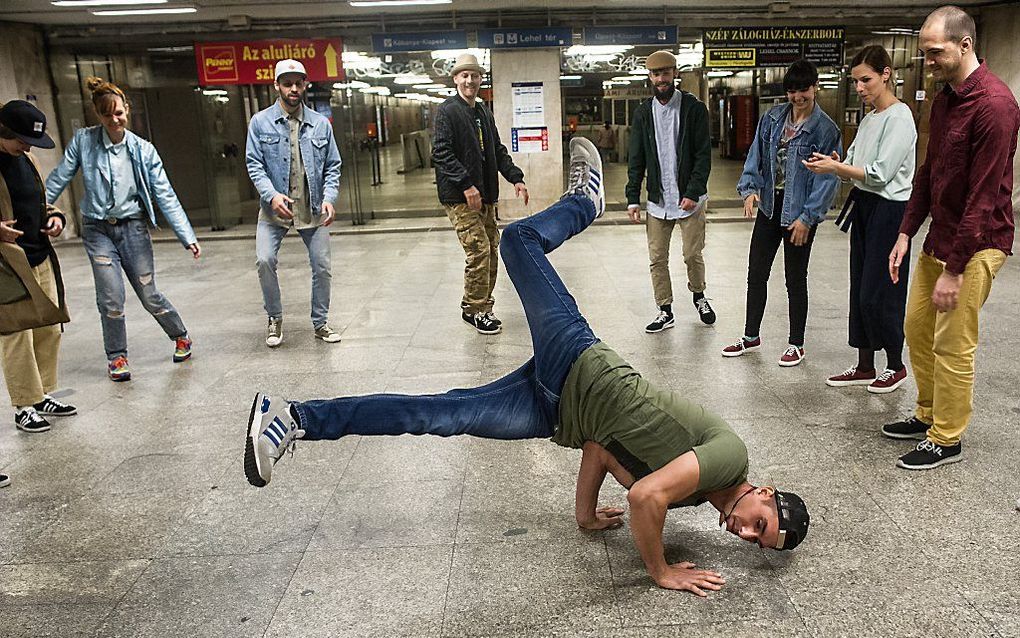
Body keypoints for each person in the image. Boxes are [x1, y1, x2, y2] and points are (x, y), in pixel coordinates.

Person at [243, 138, 810, 595]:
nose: (742, 529)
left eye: (751, 541)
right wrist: (660, 572)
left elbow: (603, 449)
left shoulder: (689, 495)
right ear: (764, 489)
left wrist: (585, 514)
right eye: (759, 521)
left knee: (437, 415)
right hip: (583, 364)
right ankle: (585, 202)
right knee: (517, 239)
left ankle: (294, 418)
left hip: (557, 410)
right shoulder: (728, 457)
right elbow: (643, 498)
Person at [882, 6, 1019, 470]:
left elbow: (983, 199)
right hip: (941, 236)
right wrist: (905, 231)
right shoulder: (944, 99)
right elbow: (929, 172)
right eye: (924, 52)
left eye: (935, 51)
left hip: (978, 244)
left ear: (965, 45)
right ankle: (928, 413)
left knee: (953, 343)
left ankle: (947, 437)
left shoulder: (996, 106)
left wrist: (956, 269)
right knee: (917, 328)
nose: (928, 61)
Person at [46, 77, 201, 382]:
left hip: (132, 229)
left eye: (119, 113)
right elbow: (59, 176)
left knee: (148, 293)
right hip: (97, 230)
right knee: (111, 298)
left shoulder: (143, 150)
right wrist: (37, 209)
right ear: (97, 114)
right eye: (107, 115)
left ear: (127, 109)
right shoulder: (84, 142)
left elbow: (164, 193)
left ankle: (180, 335)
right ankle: (117, 357)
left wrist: (187, 236)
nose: (114, 120)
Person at [803, 45, 917, 394]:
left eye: (866, 80)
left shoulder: (900, 117)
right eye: (855, 82)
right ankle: (866, 364)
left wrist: (838, 167)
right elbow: (854, 167)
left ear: (886, 74)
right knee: (859, 288)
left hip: (889, 210)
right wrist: (835, 163)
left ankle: (895, 365)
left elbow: (880, 174)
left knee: (880, 291)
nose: (860, 88)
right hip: (865, 206)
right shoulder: (870, 119)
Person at [725, 60, 842, 366]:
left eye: (803, 90)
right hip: (769, 206)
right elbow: (756, 156)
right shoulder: (773, 118)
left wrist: (808, 218)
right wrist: (749, 189)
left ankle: (796, 344)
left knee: (795, 279)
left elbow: (827, 179)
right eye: (791, 91)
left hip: (800, 213)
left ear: (814, 87)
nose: (797, 97)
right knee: (756, 273)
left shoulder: (825, 129)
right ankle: (751, 336)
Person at [246, 59, 343, 349]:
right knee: (264, 260)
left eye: (298, 83)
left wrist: (329, 199)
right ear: (276, 85)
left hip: (311, 209)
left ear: (305, 85)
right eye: (287, 83)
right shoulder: (260, 122)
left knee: (322, 265)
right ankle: (274, 317)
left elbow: (332, 166)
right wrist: (271, 195)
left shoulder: (320, 125)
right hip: (273, 211)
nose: (293, 88)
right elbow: (254, 164)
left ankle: (320, 323)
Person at [432, 53, 528, 336]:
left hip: (484, 194)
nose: (470, 80)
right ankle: (475, 310)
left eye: (474, 75)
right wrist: (466, 185)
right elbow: (441, 152)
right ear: (455, 79)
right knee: (478, 250)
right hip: (460, 196)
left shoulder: (483, 111)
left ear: (480, 78)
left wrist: (516, 177)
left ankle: (481, 306)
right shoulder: (447, 111)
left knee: (491, 249)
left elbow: (496, 149)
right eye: (464, 75)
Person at [626, 50, 716, 332]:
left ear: (675, 74)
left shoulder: (694, 108)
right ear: (649, 77)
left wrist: (693, 190)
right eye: (656, 74)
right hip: (658, 200)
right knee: (657, 258)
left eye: (666, 73)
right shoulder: (643, 113)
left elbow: (703, 155)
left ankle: (699, 294)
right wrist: (632, 197)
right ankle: (665, 309)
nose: (661, 79)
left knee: (692, 254)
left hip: (689, 199)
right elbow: (636, 158)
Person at [1, 100, 76, 435]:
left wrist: (54, 217)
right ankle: (24, 405)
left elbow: (37, 200)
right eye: (21, 140)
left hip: (38, 253)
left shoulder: (25, 160)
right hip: (7, 262)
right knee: (17, 334)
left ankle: (42, 392)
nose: (28, 146)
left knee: (48, 327)